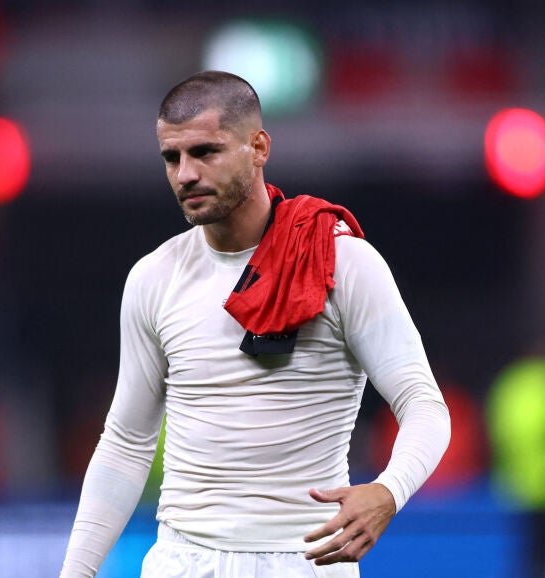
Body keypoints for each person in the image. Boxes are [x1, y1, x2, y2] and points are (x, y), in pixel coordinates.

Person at [59, 70, 451, 578]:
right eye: (172, 158)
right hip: (182, 560)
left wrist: (388, 491)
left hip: (304, 559)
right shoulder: (153, 278)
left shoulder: (342, 262)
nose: (185, 174)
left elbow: (424, 405)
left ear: (259, 147)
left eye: (205, 152)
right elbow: (126, 444)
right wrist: (76, 572)